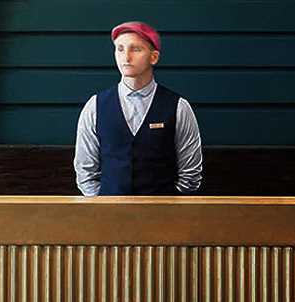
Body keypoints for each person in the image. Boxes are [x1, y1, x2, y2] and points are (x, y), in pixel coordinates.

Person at [74, 21, 202, 196]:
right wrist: (105, 205)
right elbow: (85, 173)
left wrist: (167, 204)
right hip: (108, 210)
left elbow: (190, 176)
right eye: (120, 49)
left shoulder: (178, 107)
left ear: (154, 57)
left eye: (135, 49)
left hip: (164, 210)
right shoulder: (95, 106)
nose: (126, 57)